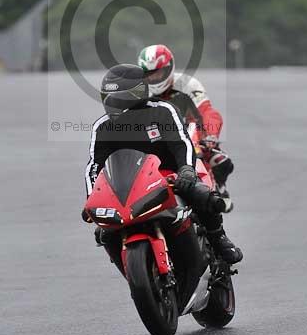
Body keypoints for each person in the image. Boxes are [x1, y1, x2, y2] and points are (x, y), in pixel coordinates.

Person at [83, 63, 242, 265]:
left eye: (119, 98)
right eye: (109, 98)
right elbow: (94, 167)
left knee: (204, 195)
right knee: (104, 233)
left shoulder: (164, 111)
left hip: (171, 176)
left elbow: (181, 143)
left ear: (137, 93)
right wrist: (91, 198)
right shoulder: (102, 127)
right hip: (129, 186)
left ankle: (219, 238)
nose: (113, 103)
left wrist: (186, 170)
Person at [138, 44, 235, 212]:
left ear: (169, 68)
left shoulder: (187, 83)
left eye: (158, 73)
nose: (154, 78)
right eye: (149, 74)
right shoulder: (139, 91)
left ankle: (218, 188)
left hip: (192, 134)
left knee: (221, 161)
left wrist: (210, 136)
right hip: (156, 138)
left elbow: (207, 111)